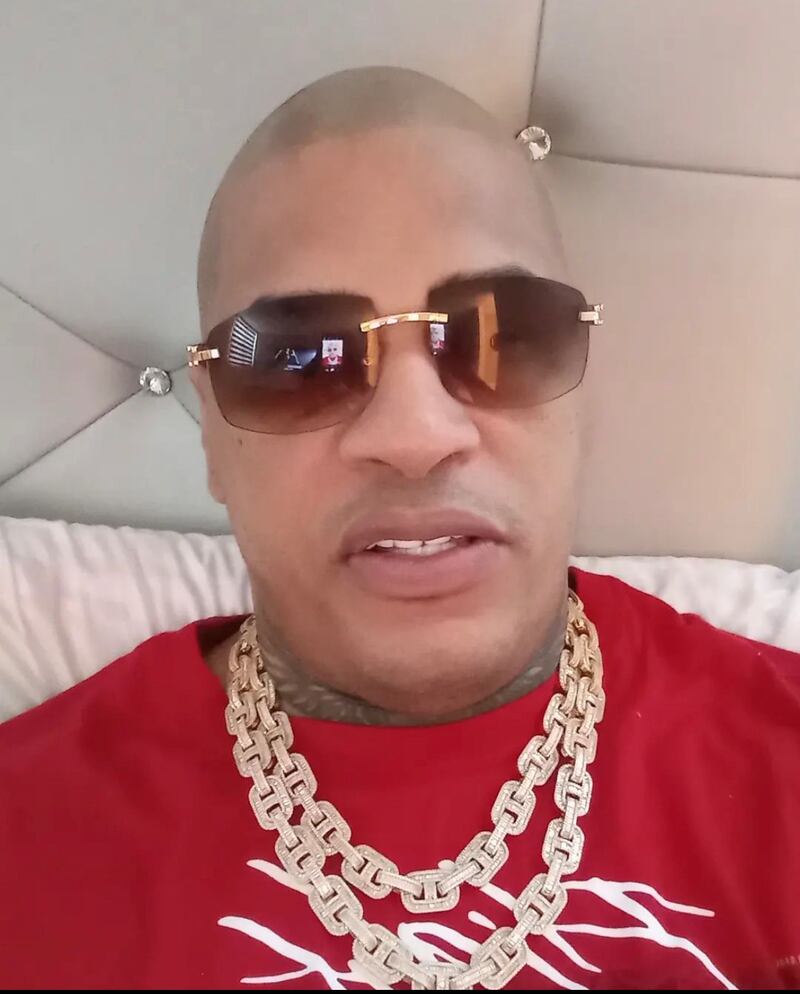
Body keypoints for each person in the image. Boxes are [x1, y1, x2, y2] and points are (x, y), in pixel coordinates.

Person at [1, 67, 798, 991]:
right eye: (301, 360)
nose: (416, 437)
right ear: (214, 433)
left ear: (584, 390)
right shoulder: (30, 847)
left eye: (501, 335)